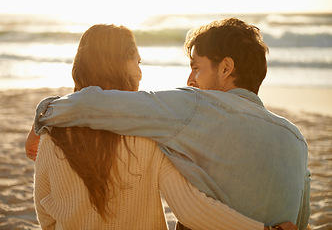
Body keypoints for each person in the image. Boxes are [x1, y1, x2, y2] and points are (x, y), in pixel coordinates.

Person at [26, 19, 306, 229]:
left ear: (225, 68)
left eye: (196, 67)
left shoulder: (191, 107)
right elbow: (299, 221)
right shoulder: (297, 140)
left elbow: (95, 105)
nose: (189, 81)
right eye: (137, 61)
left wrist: (44, 115)